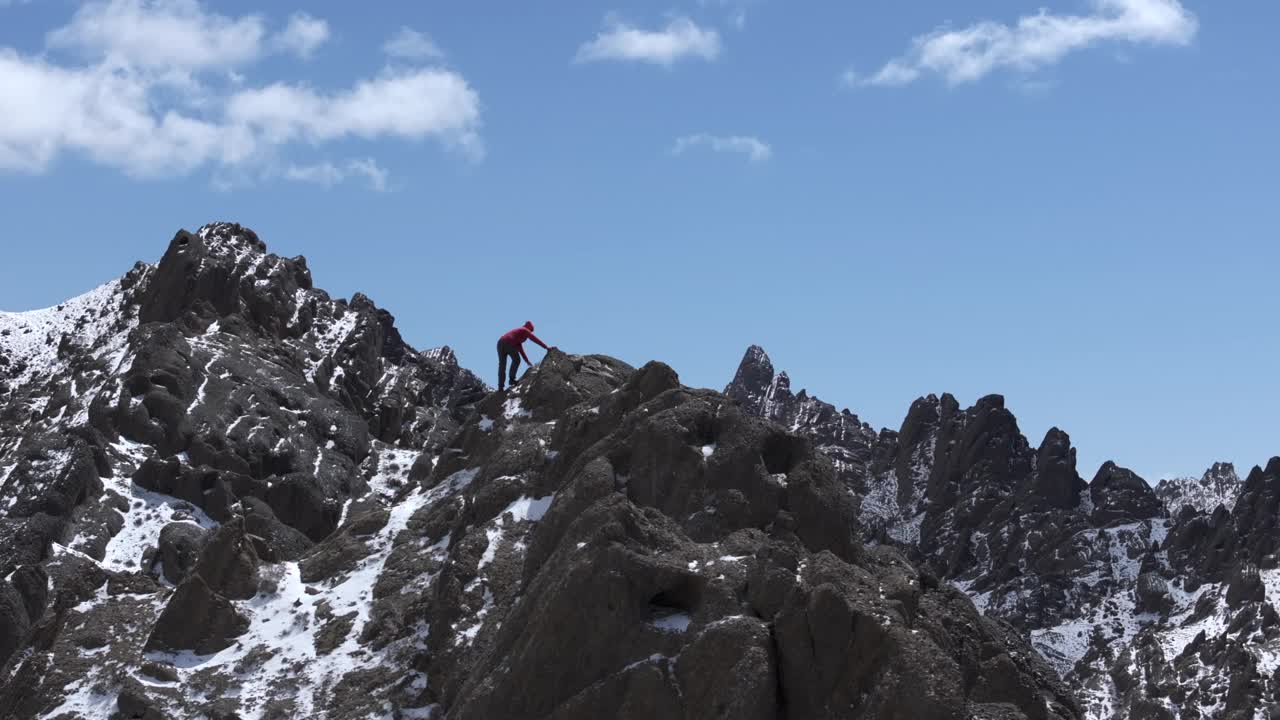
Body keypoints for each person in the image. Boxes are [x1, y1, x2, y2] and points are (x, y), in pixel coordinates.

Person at [497, 321, 549, 391]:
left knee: (502, 365)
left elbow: (521, 350)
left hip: (500, 343)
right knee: (516, 360)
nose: (530, 333)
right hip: (508, 342)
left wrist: (527, 361)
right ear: (529, 328)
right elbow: (535, 340)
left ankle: (500, 387)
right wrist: (546, 347)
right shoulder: (525, 330)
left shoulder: (519, 333)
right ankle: (512, 380)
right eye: (531, 331)